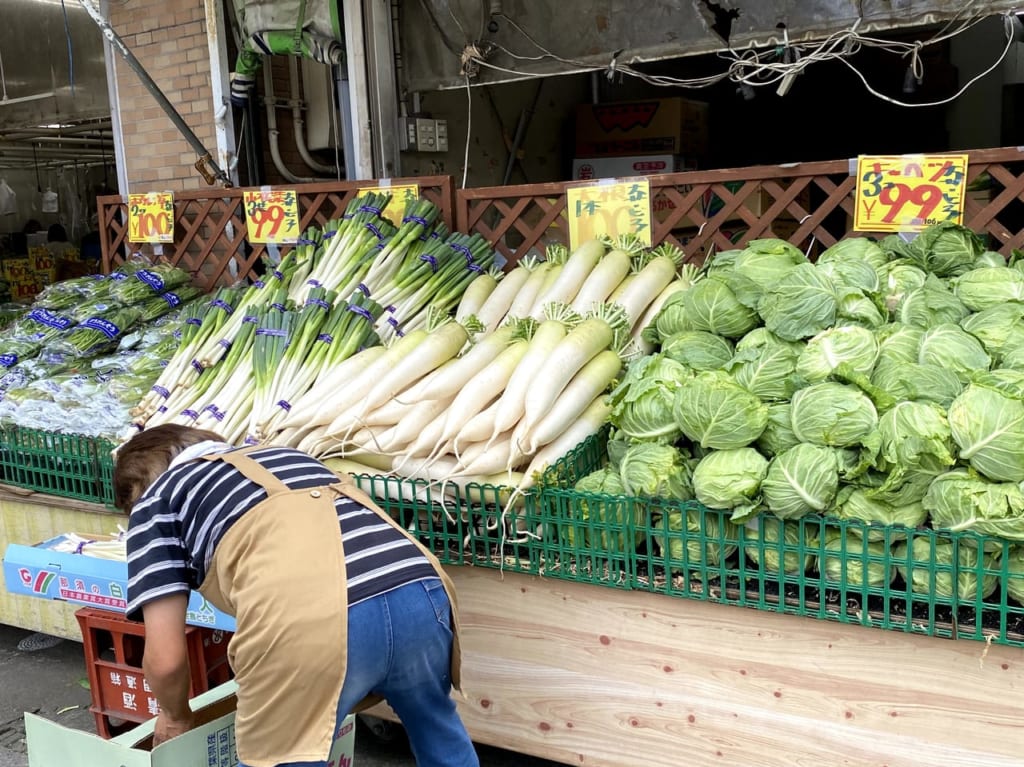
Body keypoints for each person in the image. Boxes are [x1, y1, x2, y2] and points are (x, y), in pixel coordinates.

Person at [114, 424, 479, 767]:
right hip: (420, 594)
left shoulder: (155, 502)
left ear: (136, 488)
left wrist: (175, 718)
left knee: (283, 754)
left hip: (313, 626)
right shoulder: (287, 456)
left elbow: (166, 659)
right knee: (438, 733)